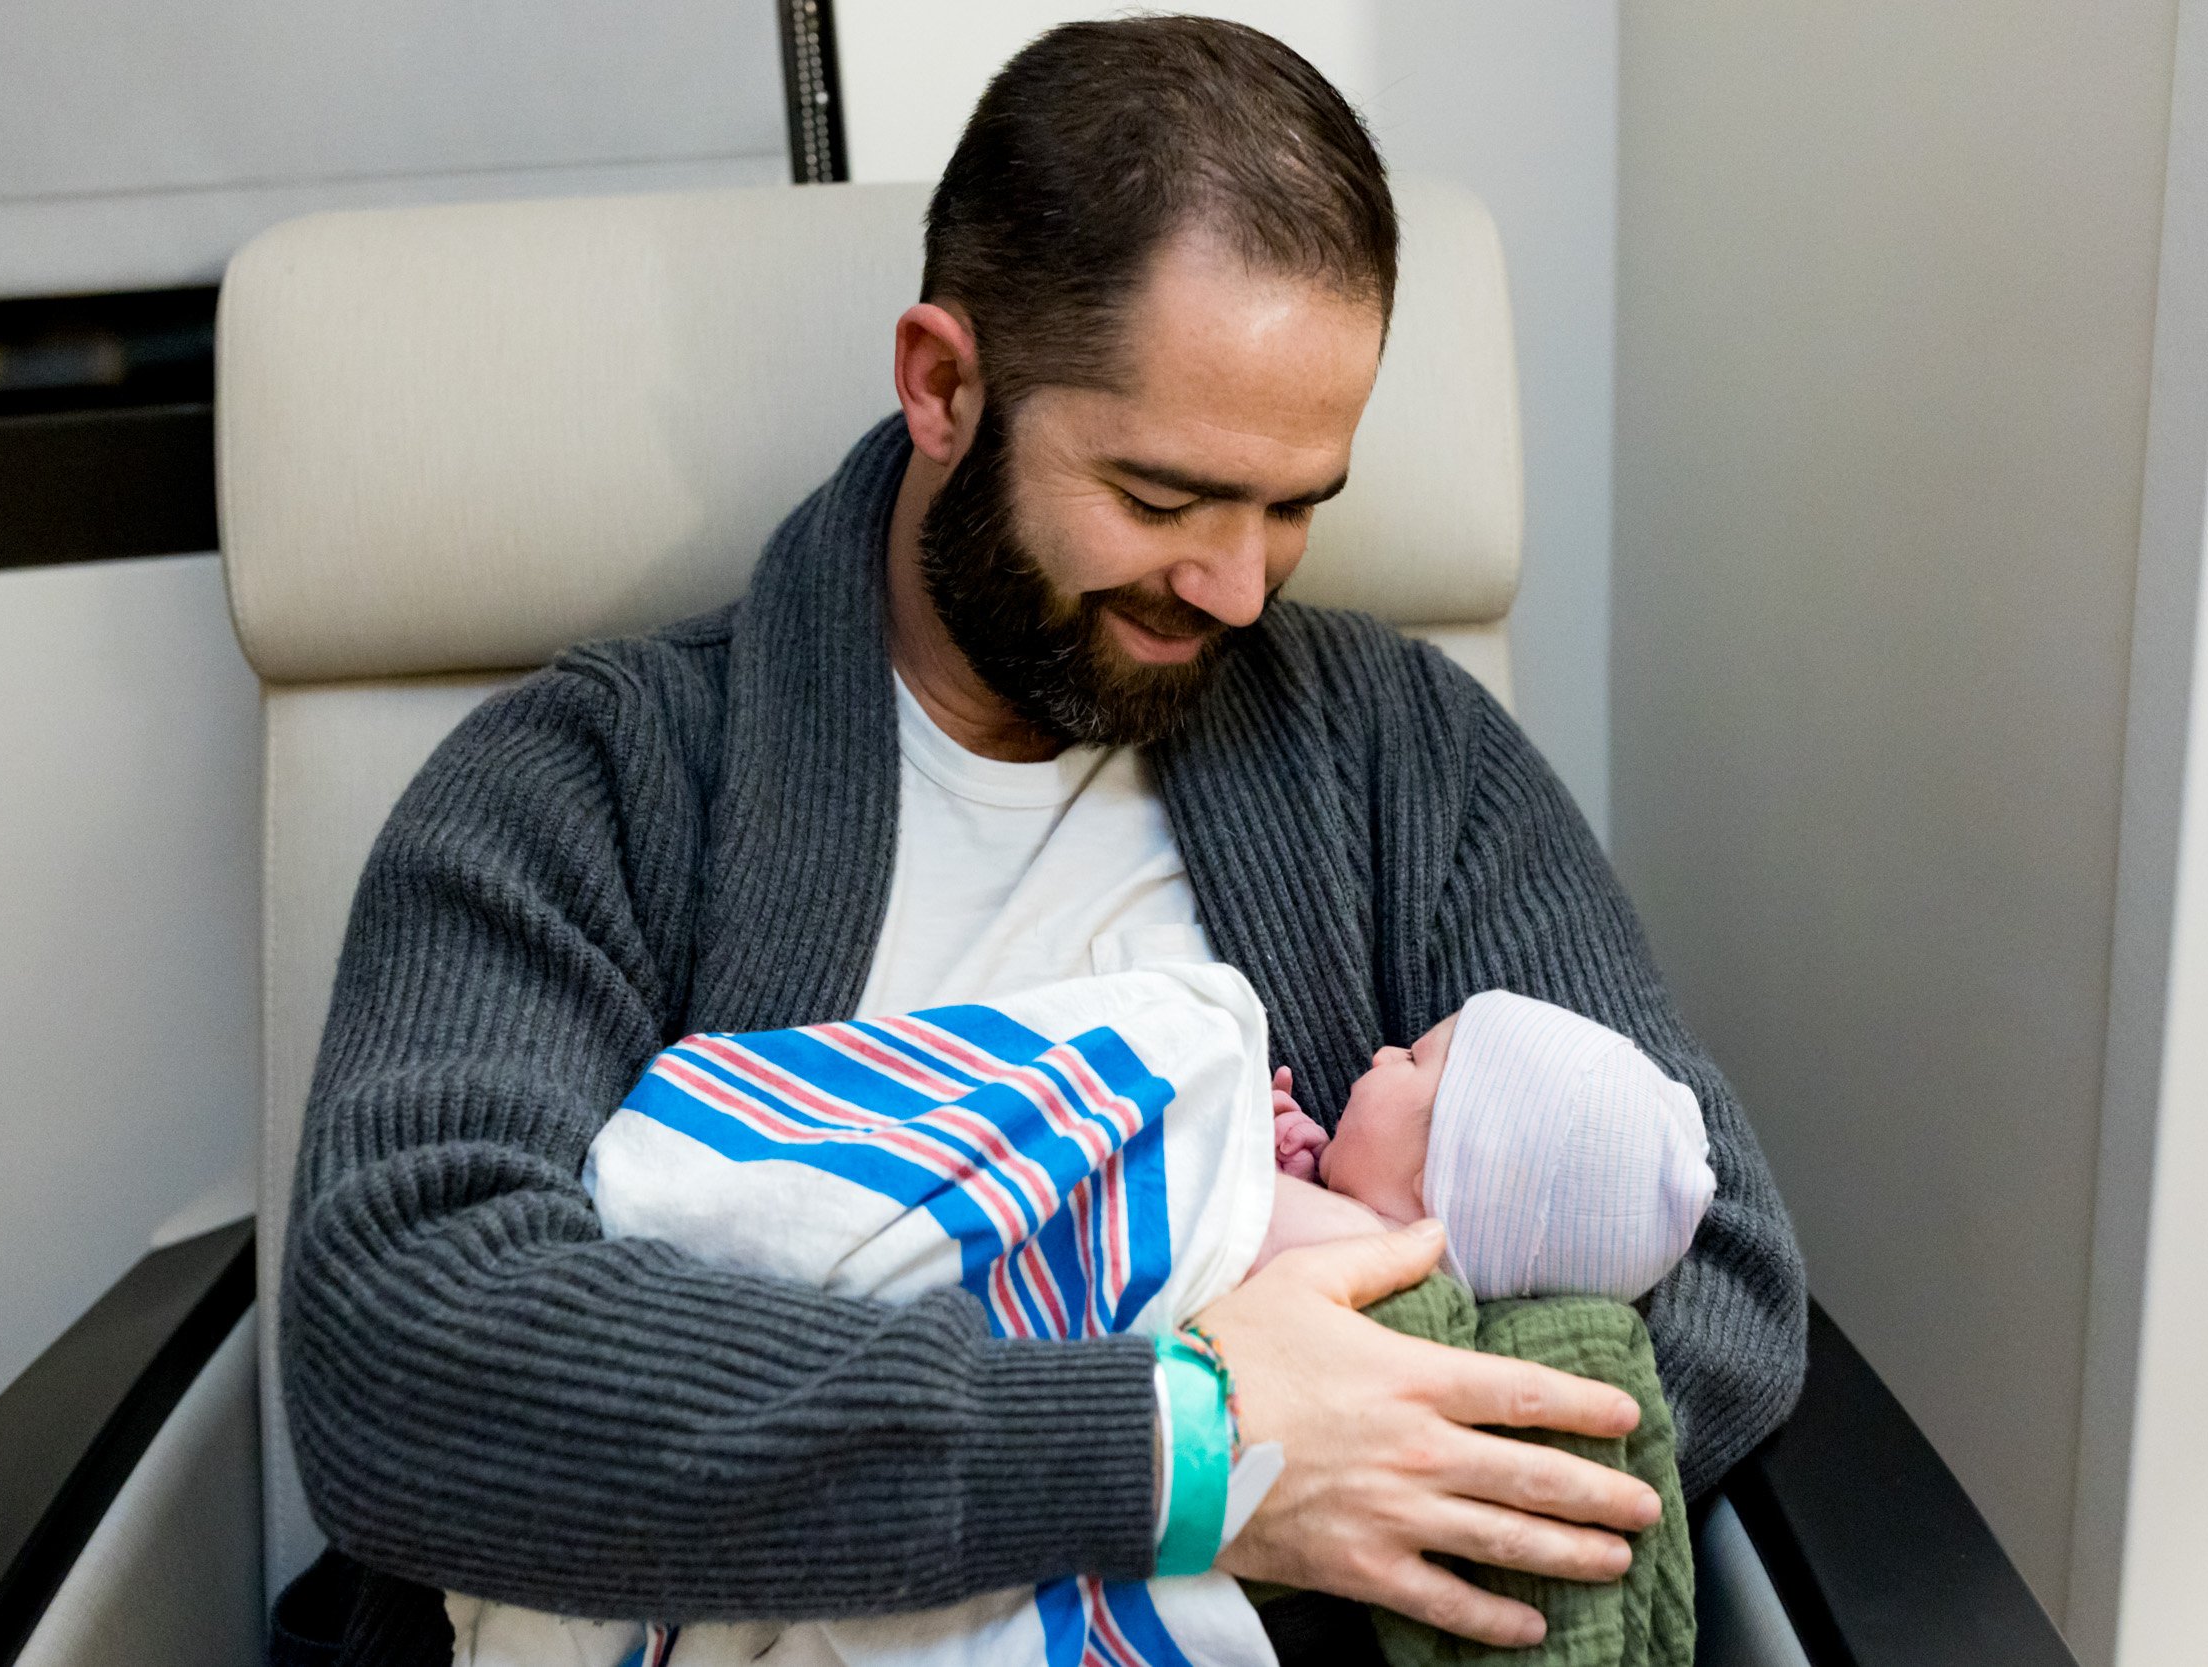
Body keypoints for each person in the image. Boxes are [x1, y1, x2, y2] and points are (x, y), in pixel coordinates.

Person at [279, 18, 1806, 1667]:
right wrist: (1178, 1447)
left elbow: (1709, 1258)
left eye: (1296, 503)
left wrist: (1320, 1501)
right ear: (944, 383)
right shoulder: (587, 788)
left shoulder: (1405, 759)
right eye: (1162, 500)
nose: (1238, 584)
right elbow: (405, 1348)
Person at [444, 961, 1719, 1667]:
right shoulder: (616, 753)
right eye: (1159, 497)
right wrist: (1168, 1438)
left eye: (1421, 1066)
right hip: (781, 1415)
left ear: (1457, 1174)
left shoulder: (1380, 1263)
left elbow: (1741, 1289)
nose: (1383, 1054)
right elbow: (421, 1321)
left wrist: (1248, 1176)